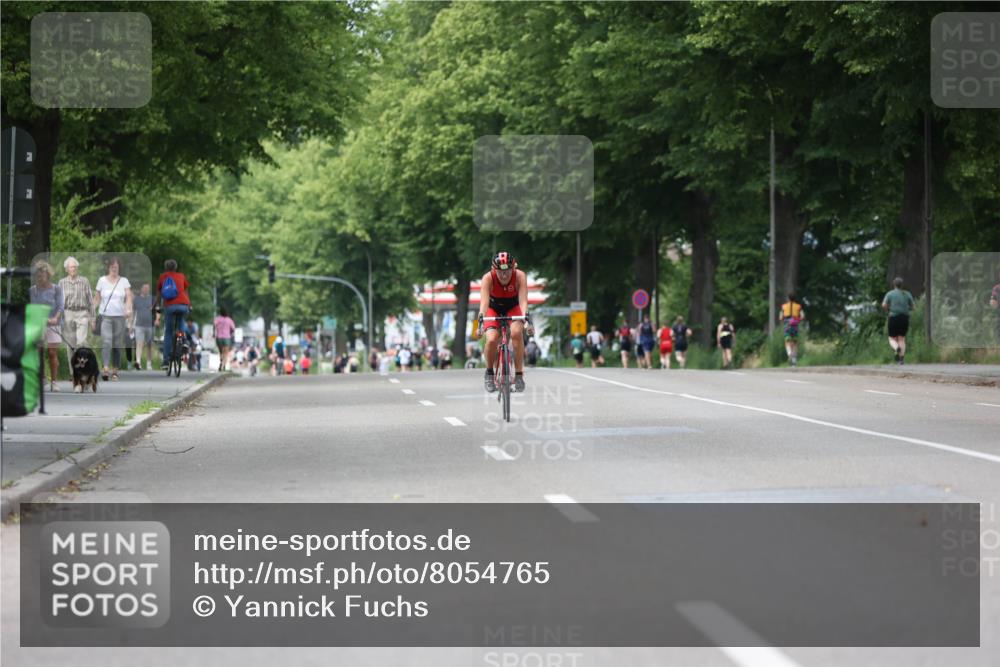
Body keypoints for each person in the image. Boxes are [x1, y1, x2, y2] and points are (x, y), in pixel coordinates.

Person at [476, 251, 530, 393]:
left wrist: (526, 320)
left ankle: (519, 374)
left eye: (507, 271)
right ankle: (489, 373)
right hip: (493, 308)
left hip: (513, 307)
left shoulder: (520, 276)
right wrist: (480, 322)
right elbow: (484, 303)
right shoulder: (488, 278)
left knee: (517, 333)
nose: (504, 275)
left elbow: (523, 301)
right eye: (500, 272)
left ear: (513, 268)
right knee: (492, 338)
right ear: (494, 270)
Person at [94, 256, 133, 381]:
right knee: (106, 342)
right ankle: (105, 368)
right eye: (112, 267)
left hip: (119, 317)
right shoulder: (102, 280)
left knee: (117, 344)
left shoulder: (124, 281)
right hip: (105, 316)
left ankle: (115, 370)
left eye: (116, 267)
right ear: (108, 268)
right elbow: (97, 298)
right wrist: (91, 312)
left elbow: (128, 296)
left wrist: (128, 309)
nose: (114, 269)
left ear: (119, 268)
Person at [30, 260, 65, 391]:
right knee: (38, 352)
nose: (40, 278)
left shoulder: (56, 289)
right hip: (39, 324)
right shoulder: (33, 290)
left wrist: (55, 318)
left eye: (42, 275)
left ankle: (54, 382)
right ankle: (42, 377)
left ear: (48, 275)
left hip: (54, 324)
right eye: (38, 276)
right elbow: (33, 307)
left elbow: (61, 306)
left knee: (51, 352)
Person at [153, 259, 190, 372]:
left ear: (166, 268)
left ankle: (165, 361)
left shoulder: (163, 277)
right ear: (176, 267)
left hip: (170, 306)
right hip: (183, 305)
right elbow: (186, 291)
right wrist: (189, 304)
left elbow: (159, 294)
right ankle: (183, 340)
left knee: (168, 332)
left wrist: (155, 306)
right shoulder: (181, 276)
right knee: (181, 320)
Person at [58, 256, 93, 353]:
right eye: (71, 267)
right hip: (68, 313)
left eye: (75, 267)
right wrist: (58, 316)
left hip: (82, 313)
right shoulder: (62, 282)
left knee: (81, 342)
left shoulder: (84, 281)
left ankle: (82, 361)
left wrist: (92, 317)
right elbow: (59, 301)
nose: (73, 269)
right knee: (70, 344)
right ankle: (72, 363)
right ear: (66, 269)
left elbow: (90, 300)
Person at [882, 277, 915, 365]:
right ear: (902, 285)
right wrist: (906, 309)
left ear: (894, 284)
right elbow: (913, 307)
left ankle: (896, 348)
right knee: (902, 339)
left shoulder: (890, 294)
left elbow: (884, 305)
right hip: (904, 318)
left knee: (891, 338)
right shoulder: (907, 294)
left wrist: (888, 310)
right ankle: (901, 360)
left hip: (893, 317)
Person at [132, 283, 155, 370]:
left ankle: (149, 363)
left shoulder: (152, 299)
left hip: (150, 325)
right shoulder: (136, 299)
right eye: (144, 288)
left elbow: (157, 310)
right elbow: (133, 312)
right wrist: (131, 325)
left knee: (150, 344)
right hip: (139, 325)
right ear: (141, 289)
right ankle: (138, 362)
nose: (146, 289)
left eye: (147, 288)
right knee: (139, 343)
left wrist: (157, 319)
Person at [779, 293, 805, 367]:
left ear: (788, 298)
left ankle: (789, 353)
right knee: (795, 343)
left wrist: (785, 320)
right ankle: (794, 361)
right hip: (795, 326)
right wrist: (797, 320)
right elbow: (802, 316)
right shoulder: (798, 306)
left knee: (787, 341)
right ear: (795, 298)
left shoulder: (783, 306)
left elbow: (780, 317)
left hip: (787, 326)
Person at [214, 307, 236, 372]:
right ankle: (223, 365)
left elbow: (214, 326)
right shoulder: (229, 320)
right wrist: (230, 333)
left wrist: (214, 333)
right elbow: (233, 329)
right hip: (227, 337)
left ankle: (221, 362)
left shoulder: (218, 319)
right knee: (226, 353)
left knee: (221, 352)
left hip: (219, 337)